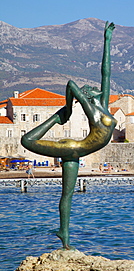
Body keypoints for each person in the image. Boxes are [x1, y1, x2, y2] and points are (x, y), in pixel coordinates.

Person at [21, 22, 117, 249]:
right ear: (86, 95)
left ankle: (64, 233)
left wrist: (107, 41)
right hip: (72, 148)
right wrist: (68, 109)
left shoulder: (103, 105)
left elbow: (106, 71)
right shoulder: (89, 106)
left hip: (76, 151)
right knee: (26, 141)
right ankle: (56, 117)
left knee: (68, 195)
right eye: (89, 88)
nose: (95, 87)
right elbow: (71, 84)